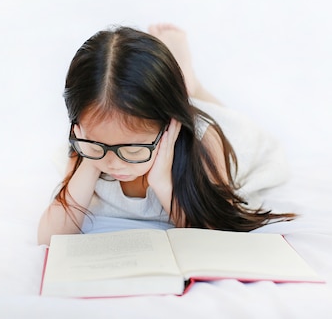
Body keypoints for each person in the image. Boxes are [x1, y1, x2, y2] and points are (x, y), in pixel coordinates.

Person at [38, 23, 295, 245]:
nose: (114, 163)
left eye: (133, 150)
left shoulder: (203, 144)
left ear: (167, 128)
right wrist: (90, 162)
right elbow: (49, 238)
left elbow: (213, 232)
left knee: (213, 112)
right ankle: (185, 86)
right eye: (98, 146)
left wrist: (162, 182)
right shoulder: (87, 144)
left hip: (223, 133)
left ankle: (190, 86)